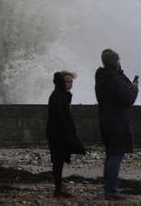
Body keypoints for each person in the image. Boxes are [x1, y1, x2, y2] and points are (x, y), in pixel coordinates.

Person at [95, 49, 139, 199]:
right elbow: (128, 99)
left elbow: (118, 88)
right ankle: (111, 190)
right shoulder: (115, 79)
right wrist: (135, 89)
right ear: (115, 62)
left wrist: (119, 73)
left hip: (104, 121)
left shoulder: (100, 76)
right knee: (116, 155)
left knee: (110, 155)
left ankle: (108, 187)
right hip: (117, 122)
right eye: (118, 61)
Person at [46, 70, 86, 198]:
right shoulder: (57, 96)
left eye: (71, 82)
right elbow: (60, 117)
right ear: (61, 82)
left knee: (60, 160)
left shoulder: (62, 94)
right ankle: (58, 189)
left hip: (60, 133)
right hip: (57, 134)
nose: (70, 84)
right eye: (67, 82)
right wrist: (68, 131)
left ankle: (59, 187)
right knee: (58, 161)